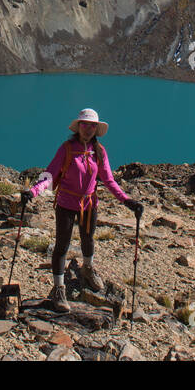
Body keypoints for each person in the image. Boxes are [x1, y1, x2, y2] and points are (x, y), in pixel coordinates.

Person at [21, 107, 142, 313]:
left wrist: (127, 200)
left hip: (89, 204)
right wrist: (32, 192)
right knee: (62, 246)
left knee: (88, 239)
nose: (88, 129)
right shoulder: (67, 148)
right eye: (85, 125)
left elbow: (108, 180)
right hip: (67, 203)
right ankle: (59, 289)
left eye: (92, 125)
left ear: (96, 128)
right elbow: (49, 175)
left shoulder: (99, 152)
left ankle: (87, 268)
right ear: (78, 127)